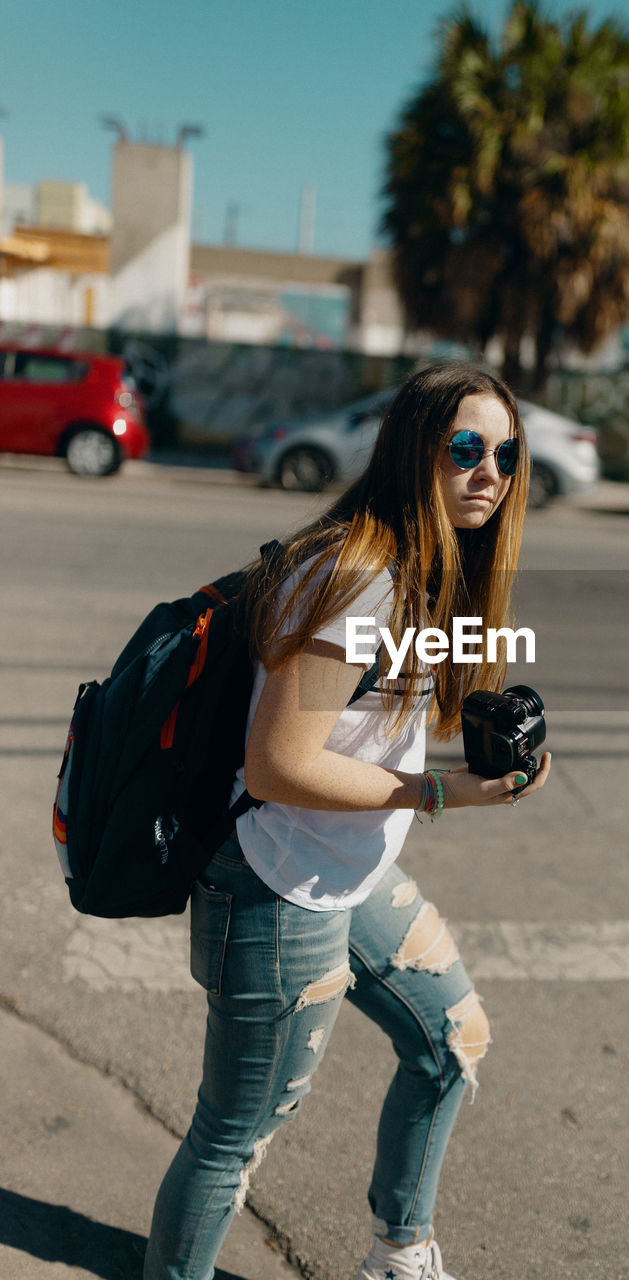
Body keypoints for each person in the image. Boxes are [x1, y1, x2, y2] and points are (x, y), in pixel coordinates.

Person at [143, 363, 552, 1280]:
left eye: (507, 454)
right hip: (277, 884)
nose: (489, 471)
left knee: (450, 1041)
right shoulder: (358, 573)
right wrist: (437, 793)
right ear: (415, 451)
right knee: (234, 1137)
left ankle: (398, 1254)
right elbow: (278, 763)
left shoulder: (427, 561)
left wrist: (488, 742)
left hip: (345, 870)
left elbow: (373, 724)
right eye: (465, 449)